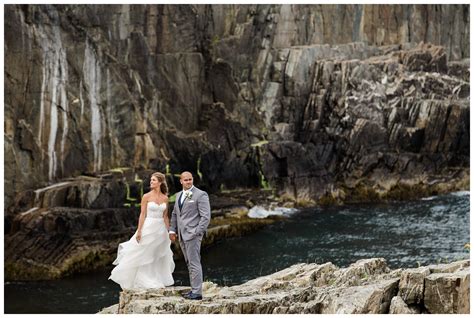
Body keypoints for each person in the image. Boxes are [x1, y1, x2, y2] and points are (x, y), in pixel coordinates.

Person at [109, 172, 175, 289]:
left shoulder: (165, 198)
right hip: (148, 227)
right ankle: (143, 280)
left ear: (160, 182)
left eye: (153, 180)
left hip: (161, 230)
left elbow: (165, 217)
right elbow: (142, 214)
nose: (151, 182)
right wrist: (139, 231)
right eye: (151, 180)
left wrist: (169, 231)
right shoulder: (146, 196)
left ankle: (155, 278)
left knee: (156, 254)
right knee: (144, 252)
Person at [169, 171, 211, 300]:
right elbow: (175, 214)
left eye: (190, 179)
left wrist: (197, 232)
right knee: (189, 262)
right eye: (185, 180)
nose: (188, 182)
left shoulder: (200, 195)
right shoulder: (178, 195)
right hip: (182, 235)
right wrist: (172, 230)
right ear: (181, 181)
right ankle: (194, 289)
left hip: (193, 235)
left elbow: (206, 217)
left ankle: (197, 293)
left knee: (194, 263)